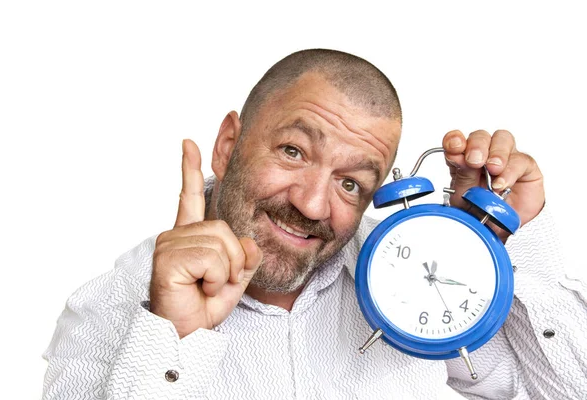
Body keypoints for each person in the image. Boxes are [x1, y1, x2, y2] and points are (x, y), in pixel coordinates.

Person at [42, 49, 586, 399]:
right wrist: (175, 339)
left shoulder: (407, 285)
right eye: (294, 151)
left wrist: (504, 247)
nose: (312, 205)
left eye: (352, 183)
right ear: (229, 145)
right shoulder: (109, 313)